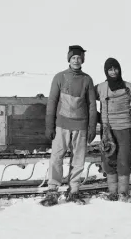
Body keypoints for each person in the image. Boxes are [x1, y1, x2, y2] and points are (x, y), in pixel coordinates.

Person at [40, 45, 97, 206]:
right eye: (73, 58)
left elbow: (92, 105)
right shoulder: (60, 77)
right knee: (56, 157)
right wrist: (49, 125)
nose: (76, 60)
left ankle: (74, 191)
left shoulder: (87, 79)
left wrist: (92, 126)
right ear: (69, 59)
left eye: (79, 58)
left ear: (82, 60)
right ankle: (52, 191)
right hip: (62, 125)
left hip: (81, 125)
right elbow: (52, 101)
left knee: (78, 159)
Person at [95, 57, 131, 203]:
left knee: (124, 159)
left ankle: (123, 193)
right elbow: (86, 99)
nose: (113, 72)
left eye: (115, 68)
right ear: (106, 71)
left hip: (125, 128)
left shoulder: (127, 87)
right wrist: (96, 115)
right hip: (107, 130)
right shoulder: (100, 87)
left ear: (119, 69)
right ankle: (112, 192)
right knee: (108, 159)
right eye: (110, 69)